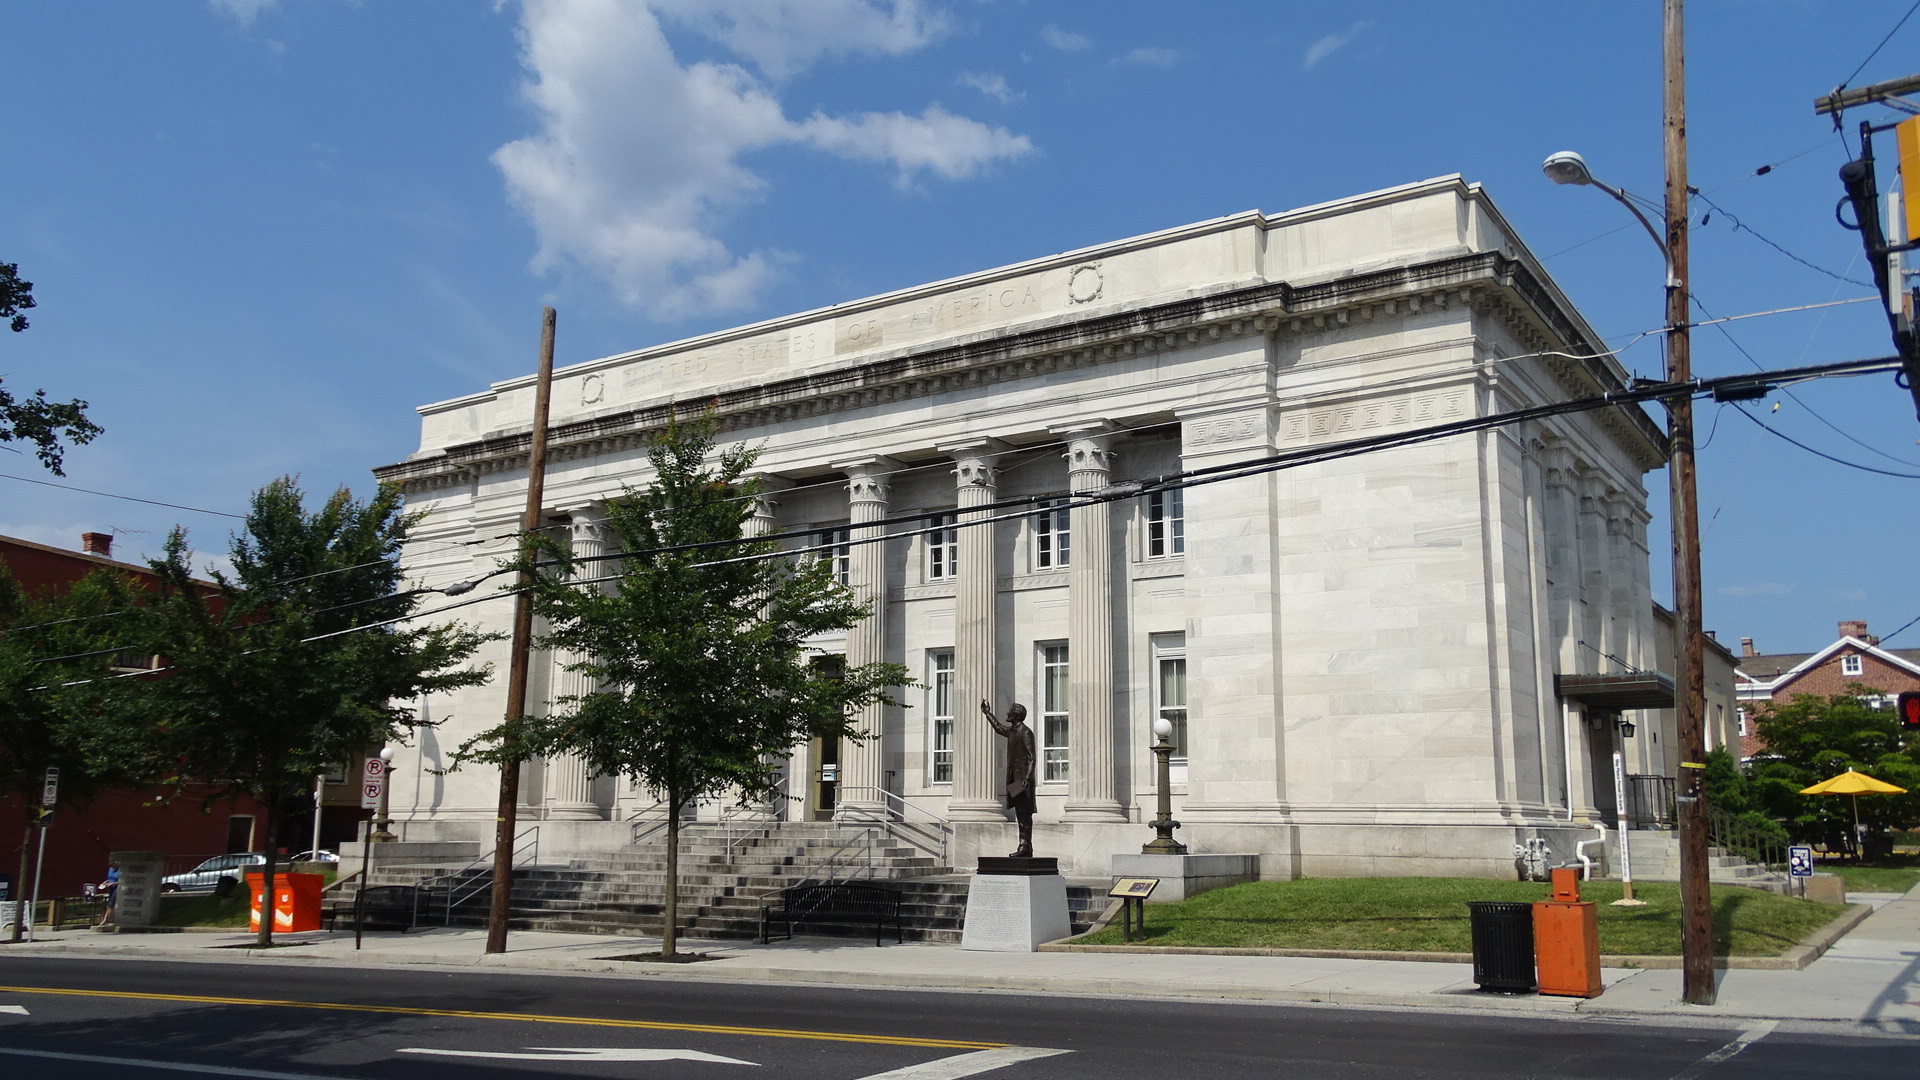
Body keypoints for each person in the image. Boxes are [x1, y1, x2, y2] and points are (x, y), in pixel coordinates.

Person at [980, 699, 1037, 858]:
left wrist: (1027, 777)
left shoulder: (1025, 733)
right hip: (1015, 780)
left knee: (1024, 814)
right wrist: (987, 713)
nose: (1007, 713)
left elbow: (1031, 758)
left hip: (1022, 781)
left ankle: (1025, 846)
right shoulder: (1013, 731)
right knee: (1020, 813)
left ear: (1016, 714)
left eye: (1010, 711)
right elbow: (998, 728)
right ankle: (1025, 846)